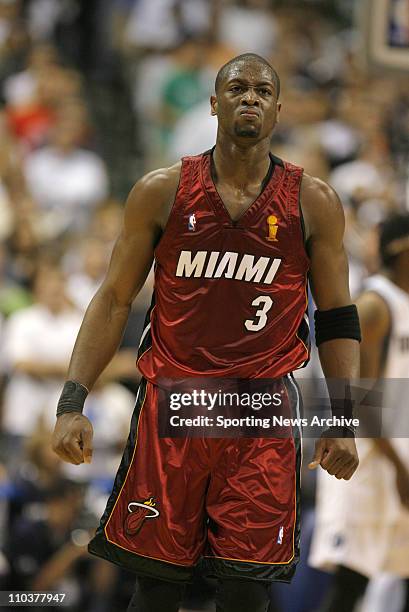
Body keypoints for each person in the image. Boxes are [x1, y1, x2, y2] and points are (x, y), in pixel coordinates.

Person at [52, 53, 360, 612]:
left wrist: (344, 422)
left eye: (263, 91)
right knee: (155, 585)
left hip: (259, 410)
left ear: (278, 110)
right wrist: (72, 401)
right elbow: (115, 298)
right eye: (237, 88)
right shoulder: (161, 189)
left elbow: (338, 316)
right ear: (213, 103)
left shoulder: (314, 201)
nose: (250, 98)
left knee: (247, 588)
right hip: (175, 402)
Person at [309, 213, 409, 612]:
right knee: (350, 584)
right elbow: (355, 399)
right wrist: (399, 467)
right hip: (366, 461)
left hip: (397, 456)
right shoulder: (375, 304)